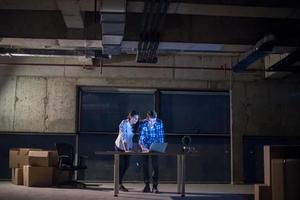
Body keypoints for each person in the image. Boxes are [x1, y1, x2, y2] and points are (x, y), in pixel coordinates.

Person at [139, 110, 164, 193]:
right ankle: (146, 185)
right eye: (151, 120)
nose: (153, 122)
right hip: (145, 146)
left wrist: (160, 147)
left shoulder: (159, 122)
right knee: (145, 166)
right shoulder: (142, 124)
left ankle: (155, 186)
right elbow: (141, 137)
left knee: (155, 166)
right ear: (148, 118)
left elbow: (160, 136)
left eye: (154, 120)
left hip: (155, 146)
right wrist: (143, 147)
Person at [115, 111, 139, 192]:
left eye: (137, 119)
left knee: (126, 165)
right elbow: (123, 136)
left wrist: (128, 149)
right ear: (130, 117)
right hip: (120, 147)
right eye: (135, 118)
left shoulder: (135, 124)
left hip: (128, 147)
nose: (136, 120)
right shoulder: (124, 123)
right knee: (121, 166)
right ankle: (119, 184)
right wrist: (125, 149)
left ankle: (119, 183)